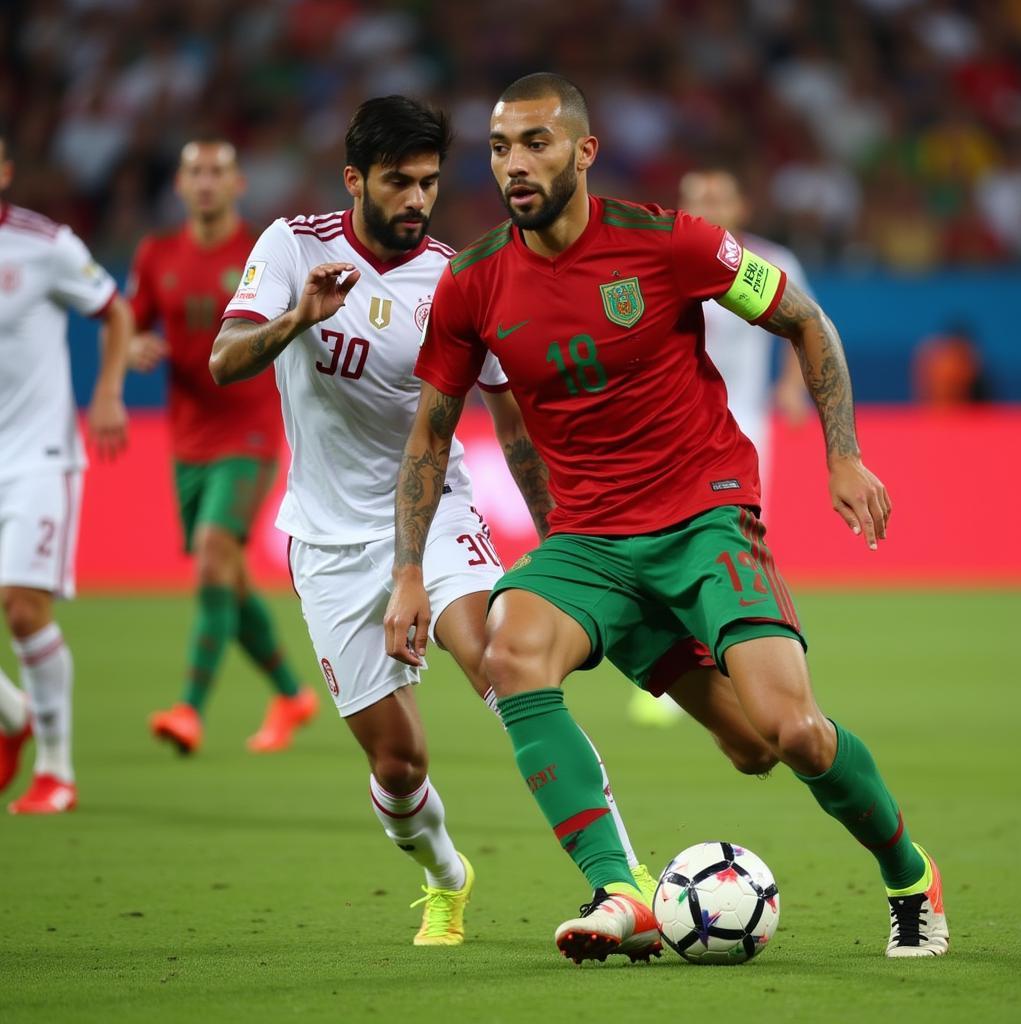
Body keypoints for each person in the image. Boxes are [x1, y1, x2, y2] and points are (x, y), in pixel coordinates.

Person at [385, 73, 948, 963]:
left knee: (779, 740)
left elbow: (807, 321)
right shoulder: (472, 283)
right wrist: (409, 572)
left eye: (536, 143)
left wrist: (840, 452)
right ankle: (619, 887)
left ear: (583, 151)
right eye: (499, 148)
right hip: (593, 544)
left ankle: (908, 873)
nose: (515, 165)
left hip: (704, 521)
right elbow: (430, 434)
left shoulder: (669, 242)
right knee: (509, 649)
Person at [209, 96, 653, 947]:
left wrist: (562, 533)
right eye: (398, 183)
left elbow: (512, 421)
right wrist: (299, 318)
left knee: (503, 664)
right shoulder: (292, 247)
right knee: (398, 762)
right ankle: (446, 874)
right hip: (333, 541)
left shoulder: (457, 276)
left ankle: (618, 883)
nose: (417, 200)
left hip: (436, 511)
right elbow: (224, 361)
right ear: (355, 181)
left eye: (428, 183)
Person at [126, 139, 315, 756]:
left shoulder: (260, 254)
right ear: (179, 187)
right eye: (195, 173)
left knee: (213, 554)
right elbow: (131, 322)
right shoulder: (157, 255)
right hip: (187, 439)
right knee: (226, 576)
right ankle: (291, 693)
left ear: (239, 186)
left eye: (218, 173)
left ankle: (189, 709)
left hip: (252, 431)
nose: (206, 183)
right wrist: (133, 349)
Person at [629, 168, 810, 727]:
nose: (707, 205)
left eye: (718, 196)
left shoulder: (767, 263)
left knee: (741, 549)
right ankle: (685, 669)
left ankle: (752, 667)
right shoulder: (665, 259)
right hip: (673, 429)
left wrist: (792, 387)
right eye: (696, 197)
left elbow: (806, 326)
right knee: (669, 544)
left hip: (745, 426)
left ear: (742, 206)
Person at [0, 132, 131, 813]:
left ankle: (56, 769)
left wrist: (107, 391)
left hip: (36, 457)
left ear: (5, 168)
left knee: (23, 608)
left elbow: (116, 312)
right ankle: (14, 715)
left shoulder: (44, 245)